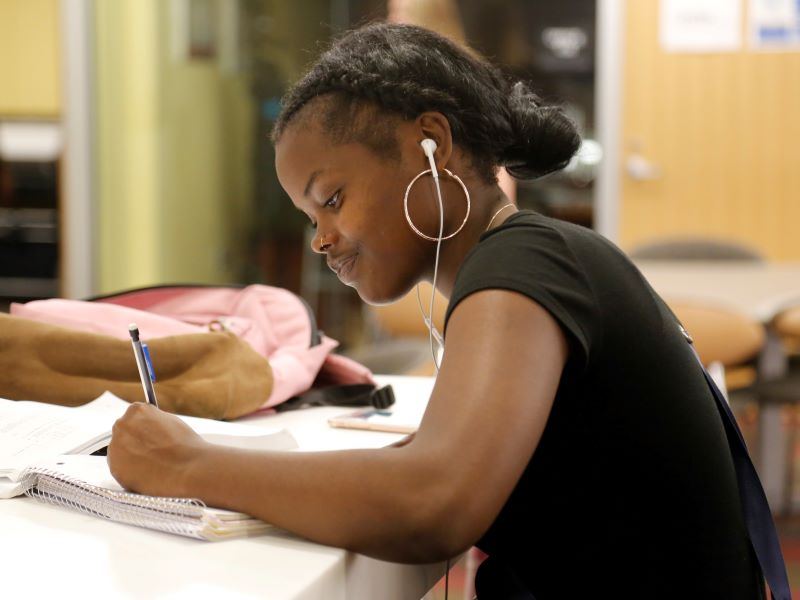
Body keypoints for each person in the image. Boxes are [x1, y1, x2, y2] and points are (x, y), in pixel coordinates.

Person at [108, 22, 766, 598]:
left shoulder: (526, 265)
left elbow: (432, 503)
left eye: (331, 199)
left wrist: (187, 465)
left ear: (432, 143)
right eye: (309, 217)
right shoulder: (540, 256)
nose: (320, 238)